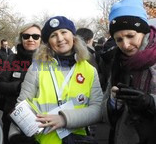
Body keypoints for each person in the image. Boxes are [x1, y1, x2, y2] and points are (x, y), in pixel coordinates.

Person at [9, 16, 103, 144]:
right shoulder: (36, 67)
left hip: (76, 140)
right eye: (53, 35)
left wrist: (64, 119)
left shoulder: (90, 70)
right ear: (48, 43)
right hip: (42, 140)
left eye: (64, 32)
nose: (60, 38)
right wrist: (15, 136)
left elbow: (98, 109)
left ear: (73, 36)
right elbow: (21, 105)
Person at [102, 0, 156, 144]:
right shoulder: (117, 62)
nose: (125, 45)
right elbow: (103, 109)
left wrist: (151, 102)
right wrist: (113, 102)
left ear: (144, 32)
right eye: (119, 39)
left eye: (130, 36)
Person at [0, 23, 42, 144]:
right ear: (21, 39)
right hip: (12, 116)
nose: (30, 39)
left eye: (35, 36)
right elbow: (0, 85)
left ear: (42, 40)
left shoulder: (48, 61)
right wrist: (20, 87)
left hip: (41, 119)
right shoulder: (12, 59)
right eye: (26, 36)